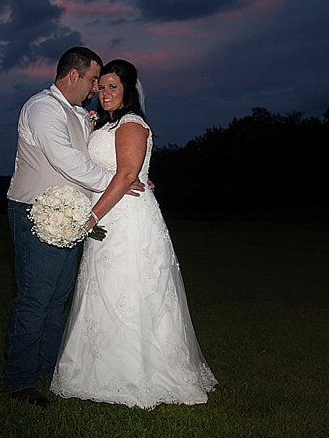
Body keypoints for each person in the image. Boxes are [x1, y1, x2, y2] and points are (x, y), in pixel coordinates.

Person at [51, 59, 218, 408]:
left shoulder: (131, 124)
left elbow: (127, 175)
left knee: (129, 291)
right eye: (101, 87)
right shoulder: (104, 125)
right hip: (110, 217)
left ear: (128, 91)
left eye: (113, 87)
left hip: (127, 219)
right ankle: (98, 368)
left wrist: (90, 217)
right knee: (105, 290)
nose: (104, 93)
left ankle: (137, 373)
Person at [4, 47, 144, 407]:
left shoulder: (81, 114)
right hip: (37, 212)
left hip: (71, 217)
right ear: (73, 76)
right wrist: (117, 182)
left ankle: (47, 370)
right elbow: (66, 160)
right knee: (35, 298)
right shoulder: (42, 108)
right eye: (94, 79)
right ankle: (19, 381)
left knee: (56, 300)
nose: (96, 87)